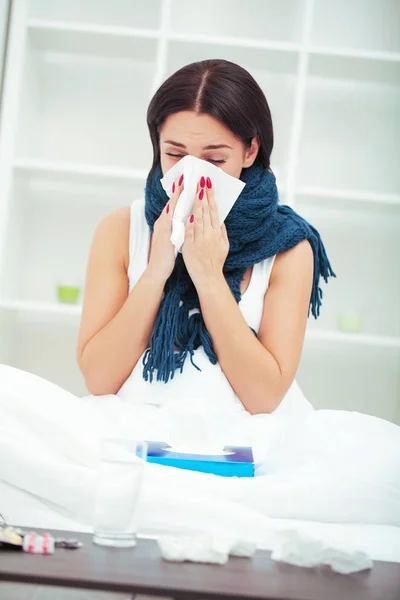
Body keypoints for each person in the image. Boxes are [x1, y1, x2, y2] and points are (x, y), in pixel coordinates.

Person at [77, 59, 334, 417]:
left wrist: (209, 276)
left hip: (243, 447)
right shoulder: (120, 229)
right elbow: (99, 379)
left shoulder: (289, 249)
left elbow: (264, 399)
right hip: (132, 435)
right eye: (175, 154)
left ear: (250, 150)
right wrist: (156, 272)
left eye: (214, 159)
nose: (192, 173)